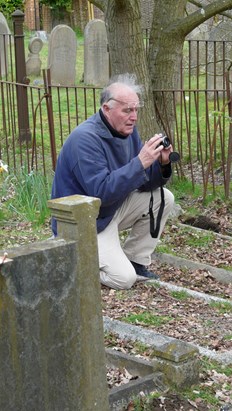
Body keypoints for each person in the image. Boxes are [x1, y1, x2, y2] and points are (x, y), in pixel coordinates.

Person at [51, 73, 175, 289]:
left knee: (163, 197)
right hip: (86, 222)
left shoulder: (127, 132)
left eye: (136, 109)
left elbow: (143, 183)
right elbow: (101, 192)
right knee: (124, 280)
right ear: (106, 109)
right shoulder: (85, 139)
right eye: (127, 110)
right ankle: (72, 257)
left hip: (110, 210)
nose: (134, 116)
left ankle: (135, 260)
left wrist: (161, 164)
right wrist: (140, 162)